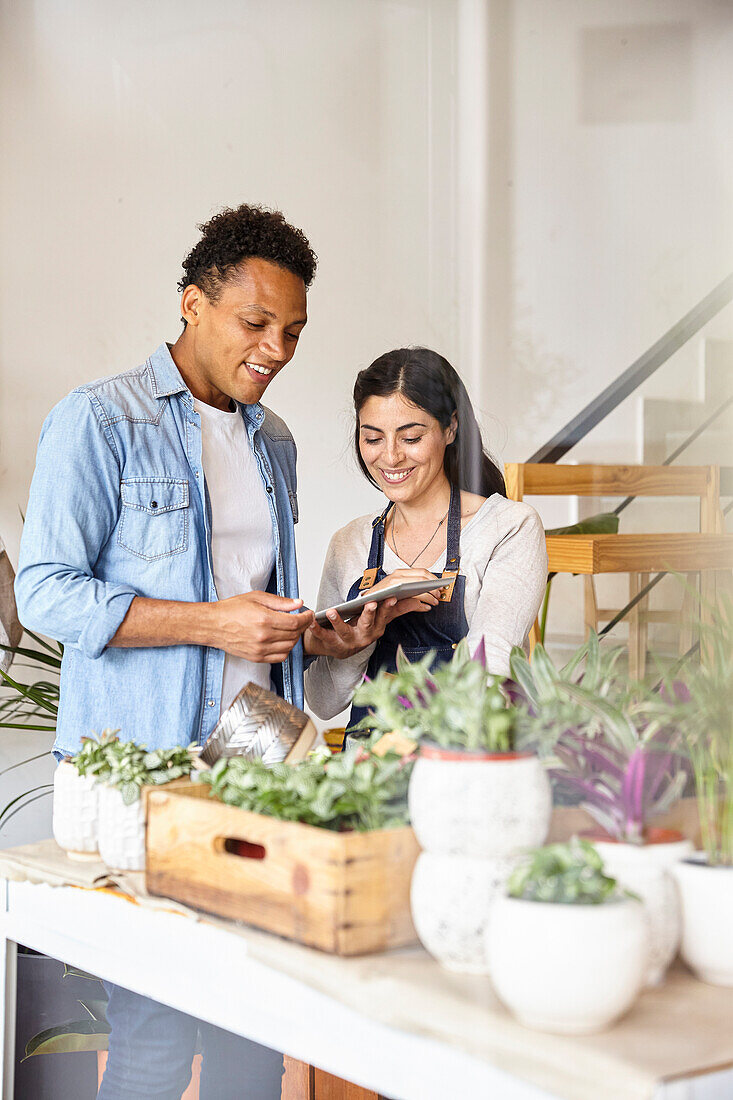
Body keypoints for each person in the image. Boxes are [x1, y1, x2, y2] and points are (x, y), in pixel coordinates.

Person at [15, 203, 327, 1099]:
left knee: (252, 1031)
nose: (276, 348)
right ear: (193, 303)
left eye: (294, 331)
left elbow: (249, 601)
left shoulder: (275, 443)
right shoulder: (99, 421)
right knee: (154, 1029)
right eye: (256, 322)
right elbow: (45, 592)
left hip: (253, 761)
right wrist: (210, 621)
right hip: (144, 770)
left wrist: (311, 630)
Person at [304, 346, 548, 730]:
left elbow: (490, 668)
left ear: (450, 428)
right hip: (366, 770)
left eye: (411, 437)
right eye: (372, 439)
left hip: (459, 758)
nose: (391, 457)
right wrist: (366, 627)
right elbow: (323, 701)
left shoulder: (508, 527)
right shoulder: (349, 543)